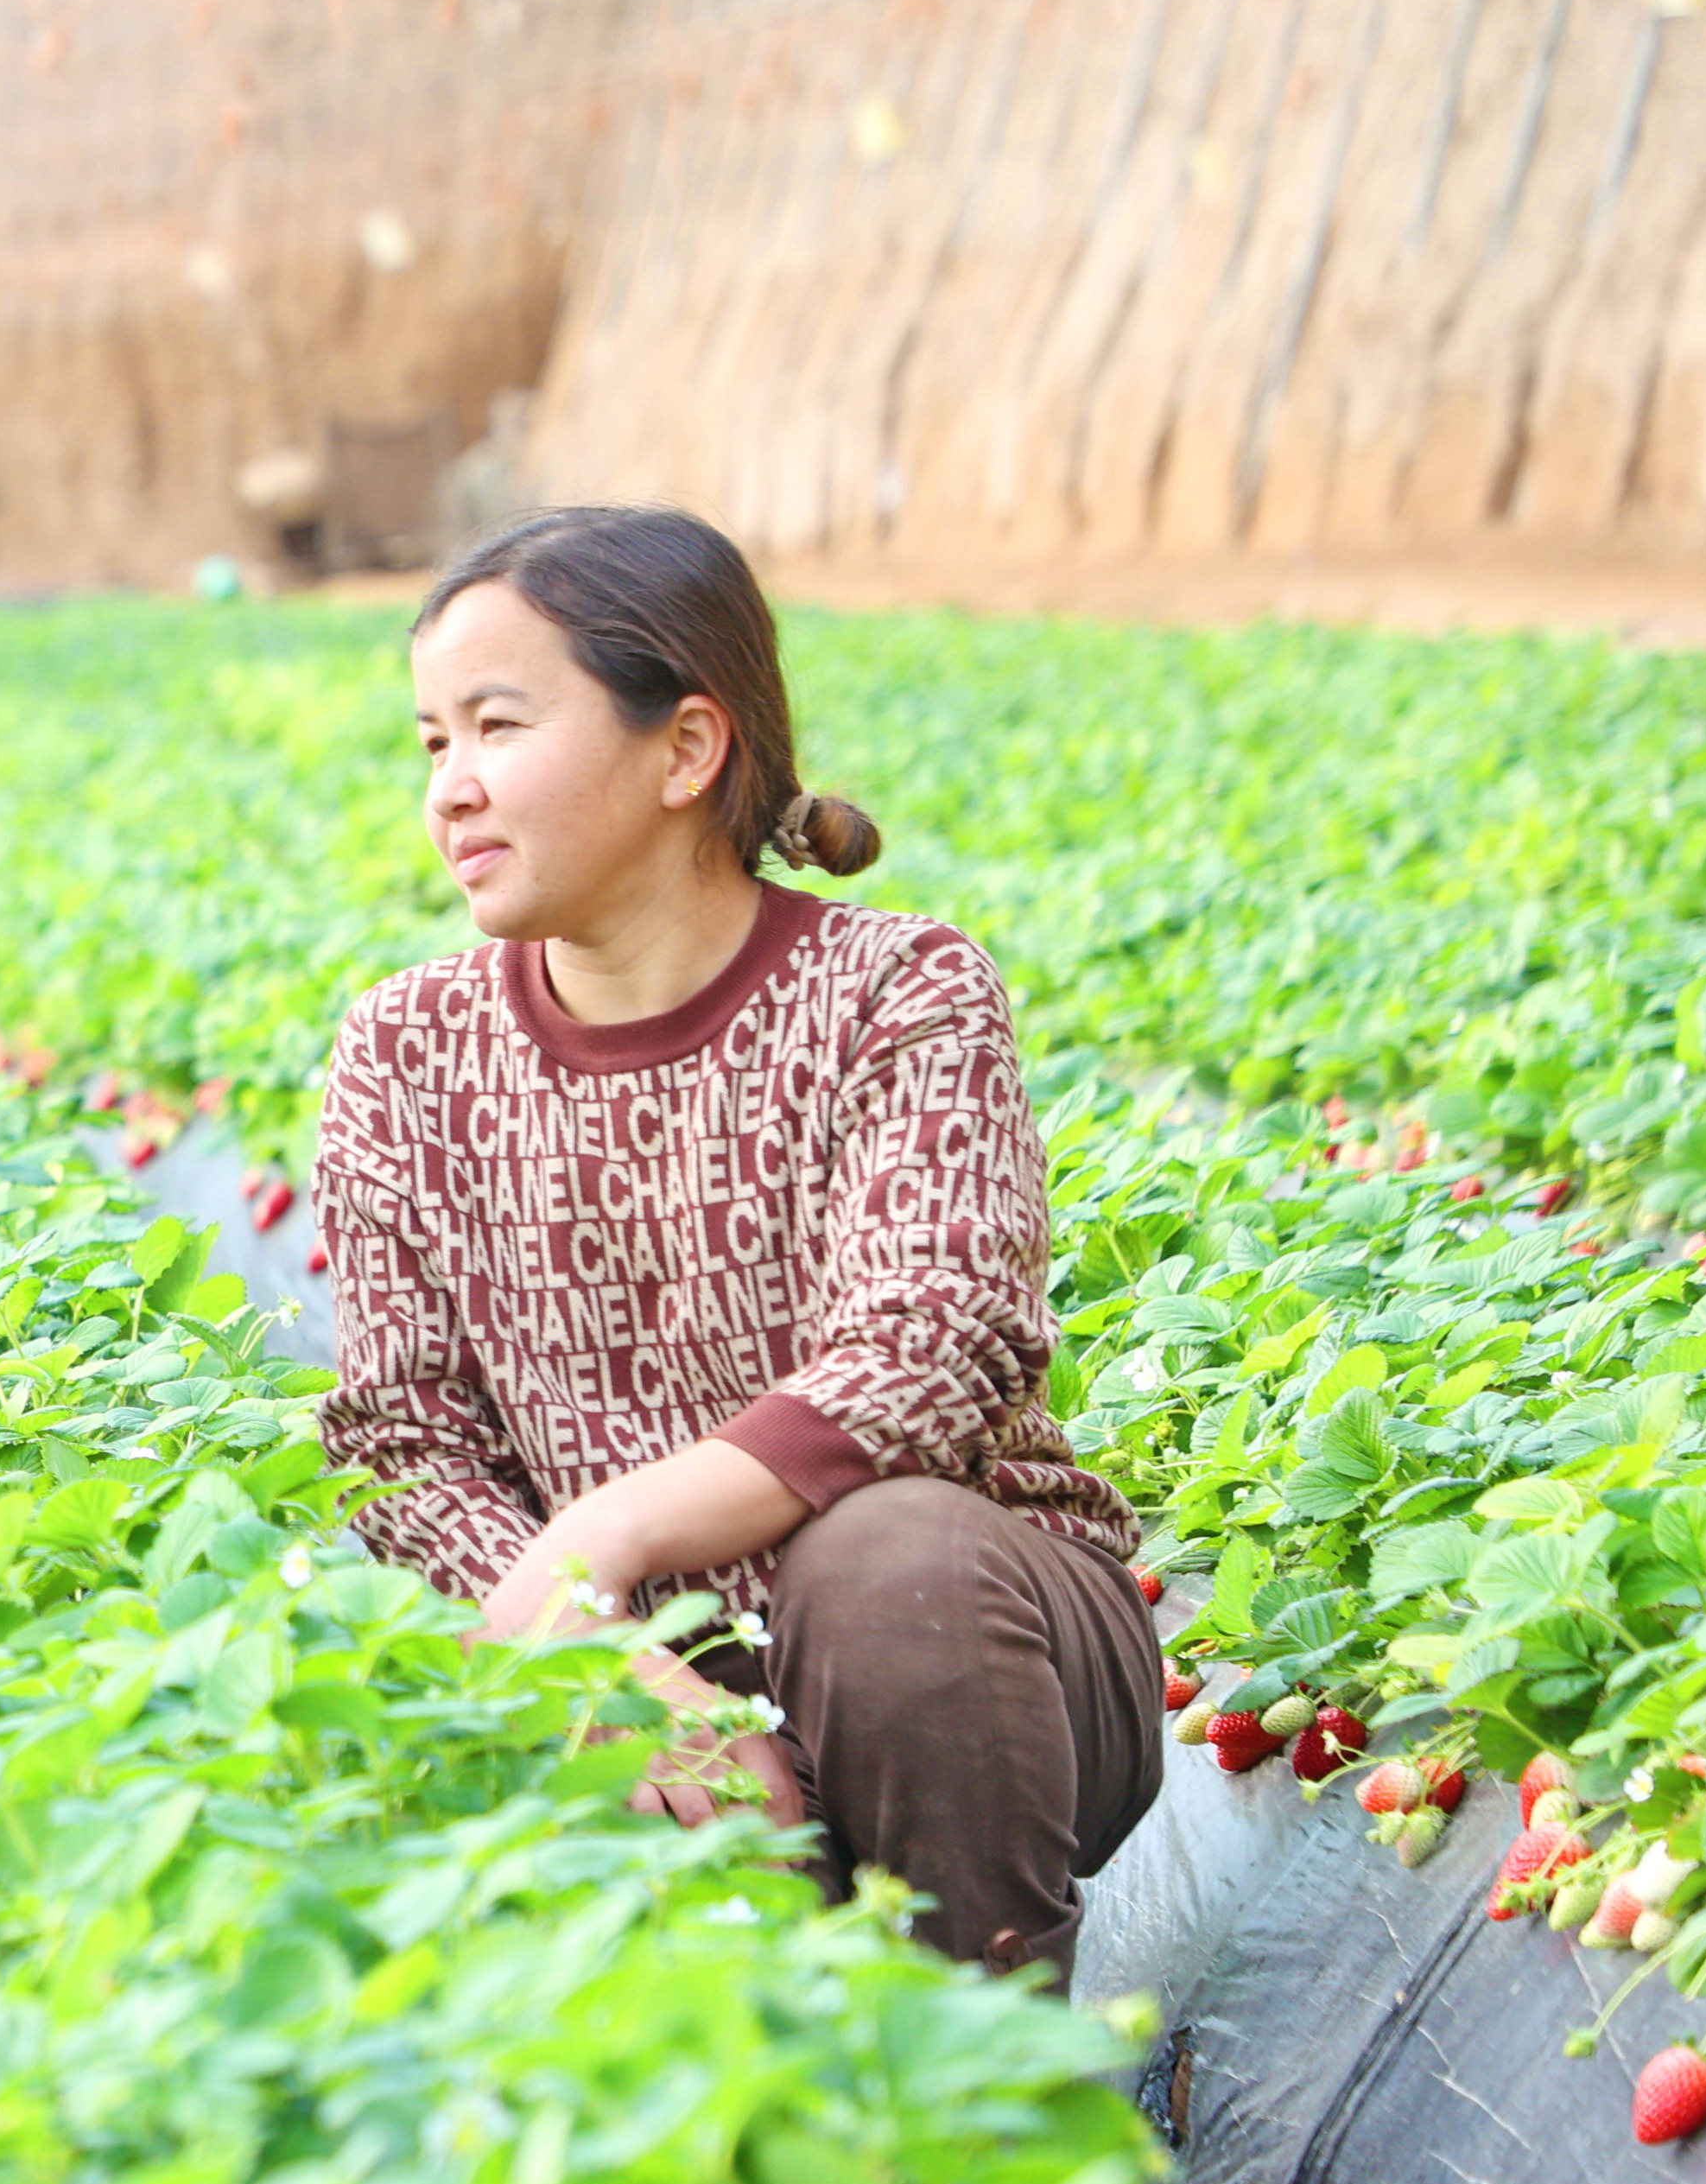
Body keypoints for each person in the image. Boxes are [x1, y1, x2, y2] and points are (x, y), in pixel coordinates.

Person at [315, 503, 1157, 1975]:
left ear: (687, 749)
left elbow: (931, 1348)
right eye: (429, 742)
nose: (451, 789)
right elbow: (400, 1441)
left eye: (496, 726)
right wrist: (585, 1651)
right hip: (607, 1668)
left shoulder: (899, 992)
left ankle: (998, 2109)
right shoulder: (405, 1051)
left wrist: (605, 1534)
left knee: (888, 1564)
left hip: (965, 1659)